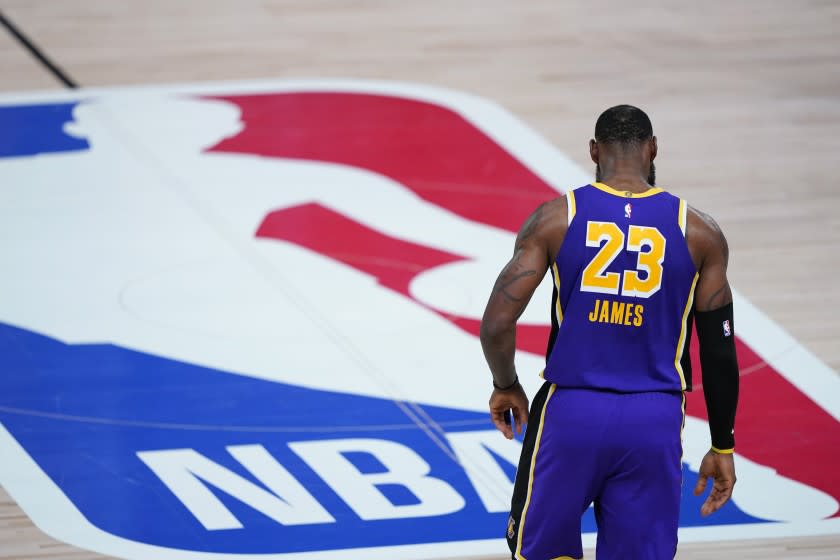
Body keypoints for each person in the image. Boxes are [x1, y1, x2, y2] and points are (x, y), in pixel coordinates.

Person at [479, 105, 739, 560]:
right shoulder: (700, 233)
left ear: (594, 151)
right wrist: (722, 443)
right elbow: (719, 351)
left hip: (570, 413)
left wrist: (506, 385)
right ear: (653, 149)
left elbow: (497, 323)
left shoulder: (556, 219)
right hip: (653, 420)